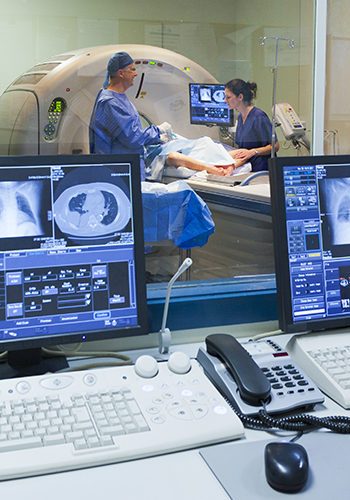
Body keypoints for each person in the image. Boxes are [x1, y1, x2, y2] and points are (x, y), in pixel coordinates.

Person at [89, 51, 169, 180]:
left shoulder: (119, 98)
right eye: (132, 70)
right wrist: (158, 131)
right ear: (121, 73)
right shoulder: (110, 103)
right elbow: (133, 138)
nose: (136, 73)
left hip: (129, 166)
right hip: (118, 170)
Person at [224, 79, 278, 172]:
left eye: (228, 97)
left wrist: (253, 152)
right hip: (247, 168)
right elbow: (243, 150)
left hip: (262, 171)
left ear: (240, 97)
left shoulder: (258, 117)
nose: (225, 100)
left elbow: (275, 146)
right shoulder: (241, 117)